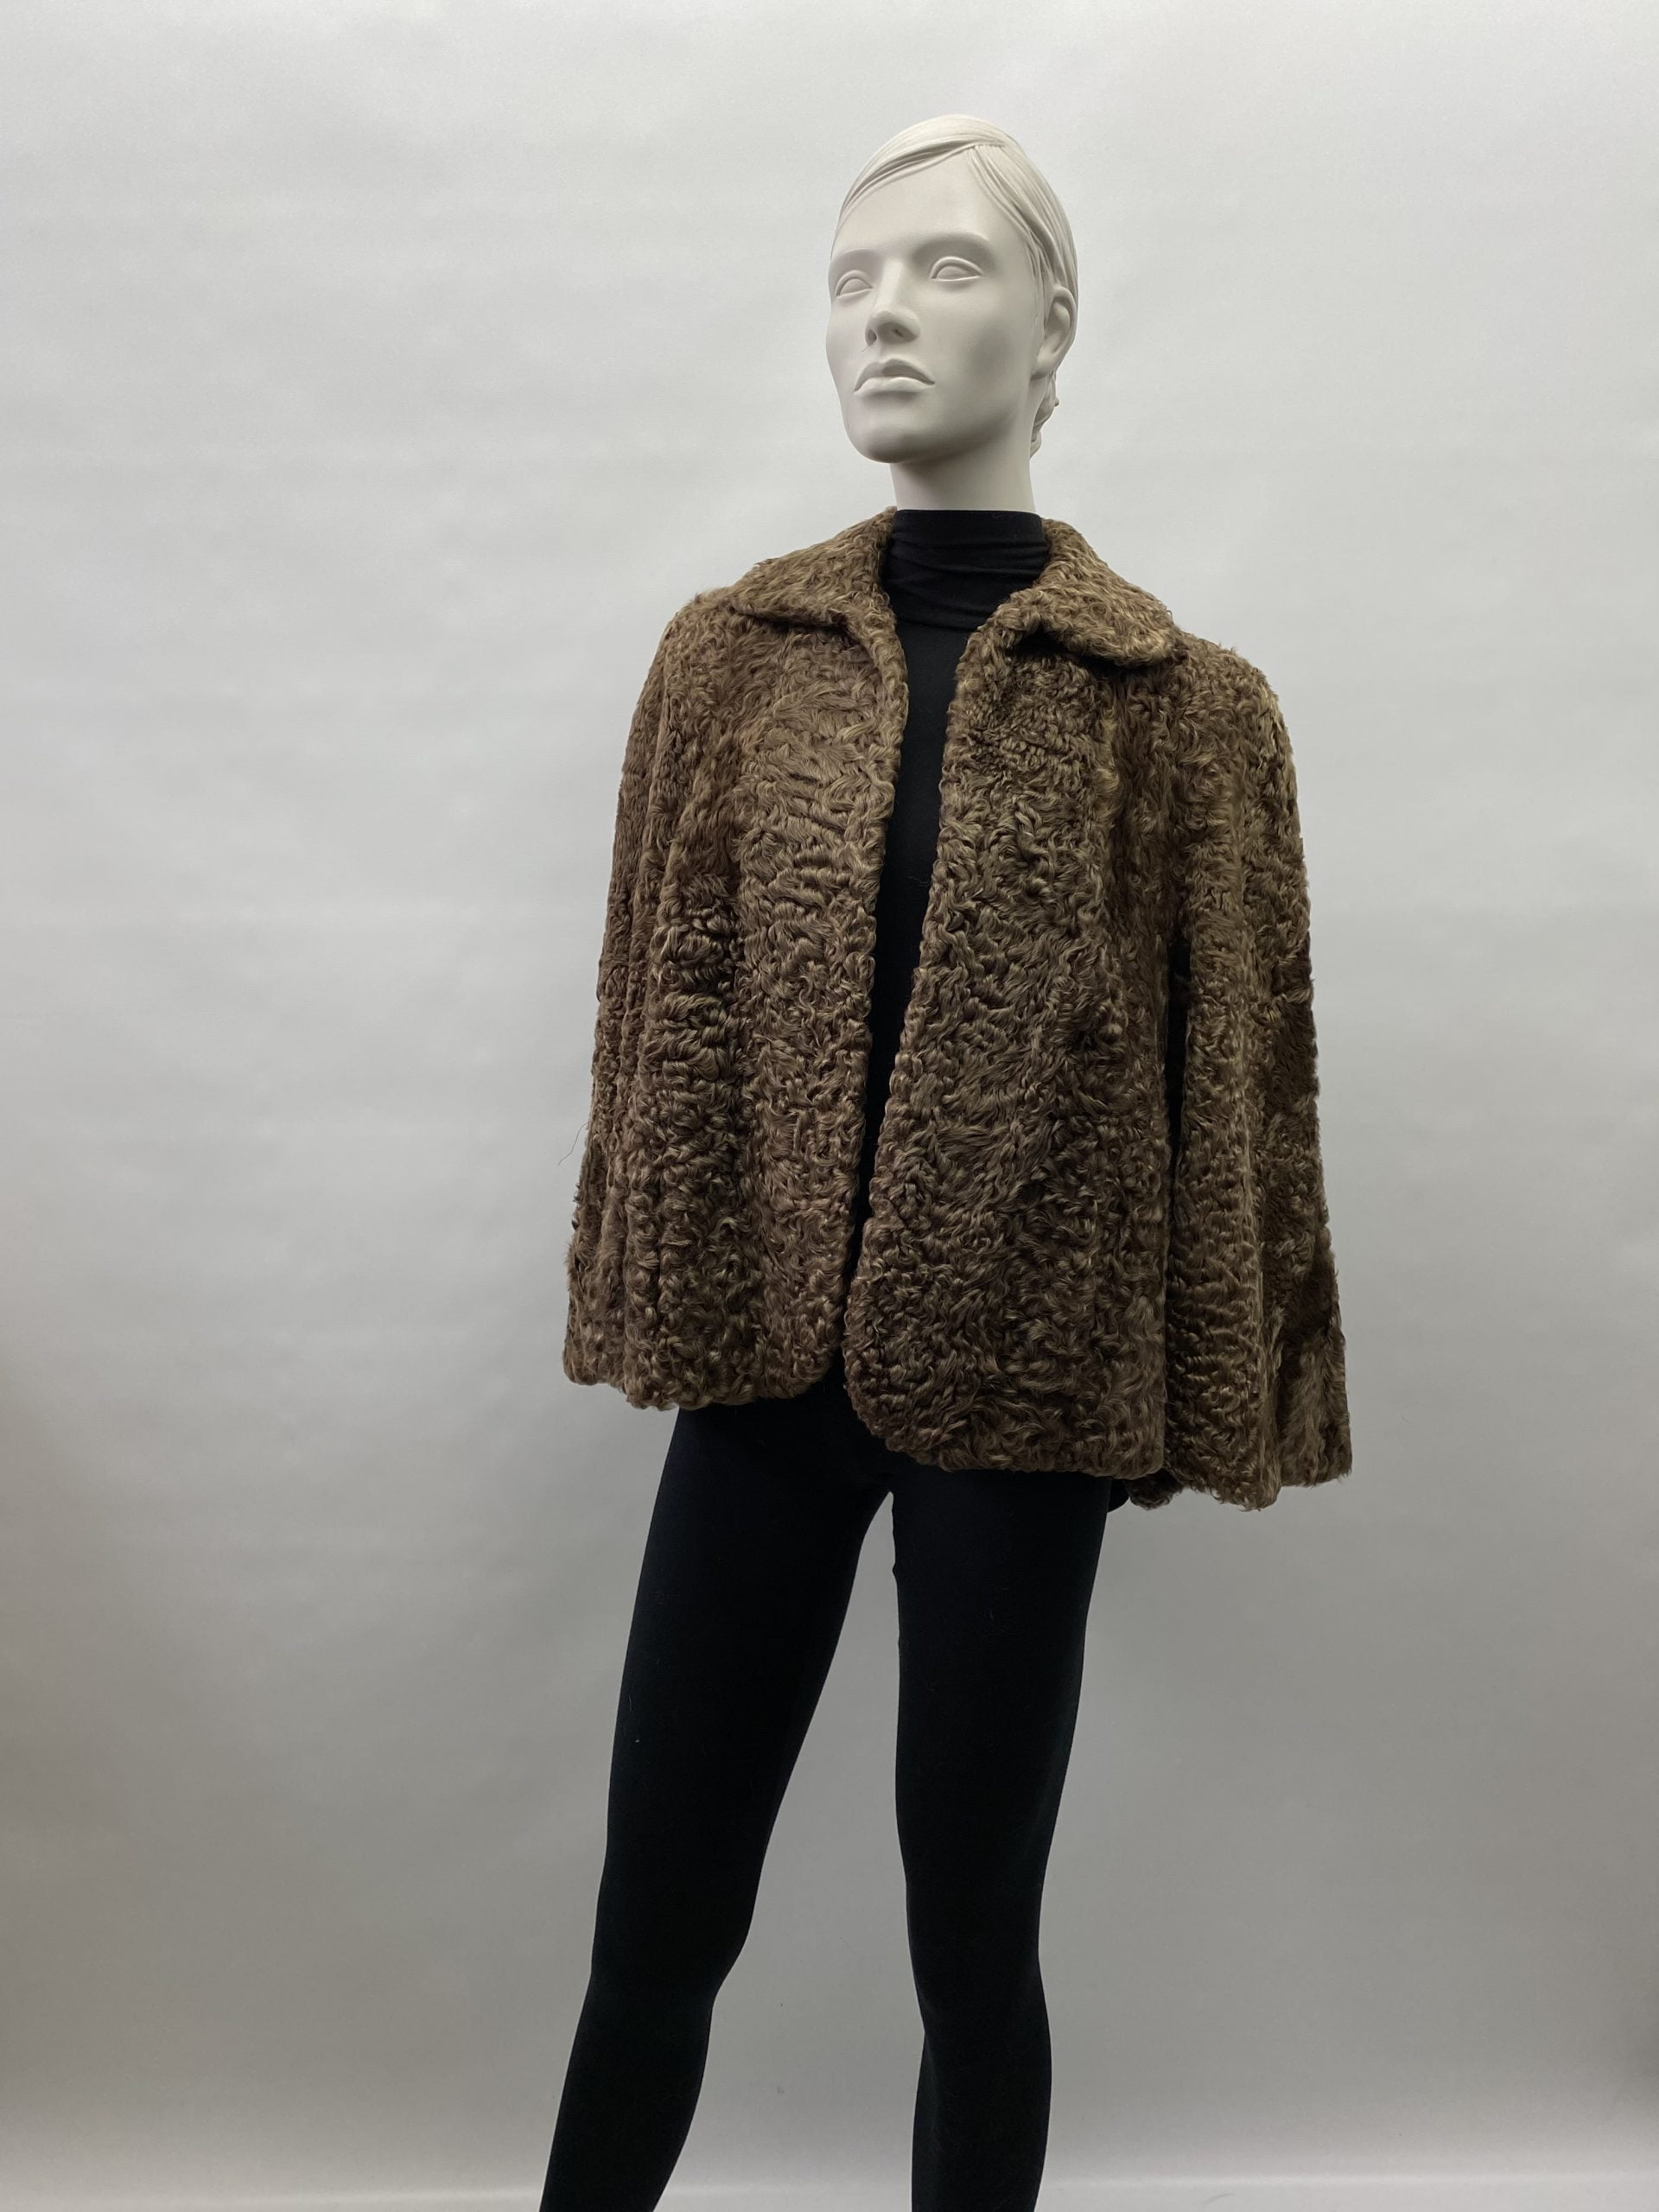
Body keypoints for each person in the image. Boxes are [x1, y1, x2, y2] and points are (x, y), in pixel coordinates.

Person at [542, 114, 1351, 2212]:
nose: (884, 314)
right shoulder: (724, 664)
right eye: (850, 277)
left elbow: (1241, 1082)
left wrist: (1221, 1388)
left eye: (946, 267)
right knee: (654, 1923)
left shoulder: (1188, 710)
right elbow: (645, 1008)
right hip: (756, 1375)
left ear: (1054, 324)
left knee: (973, 1943)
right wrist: (636, 1280)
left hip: (1025, 1389)